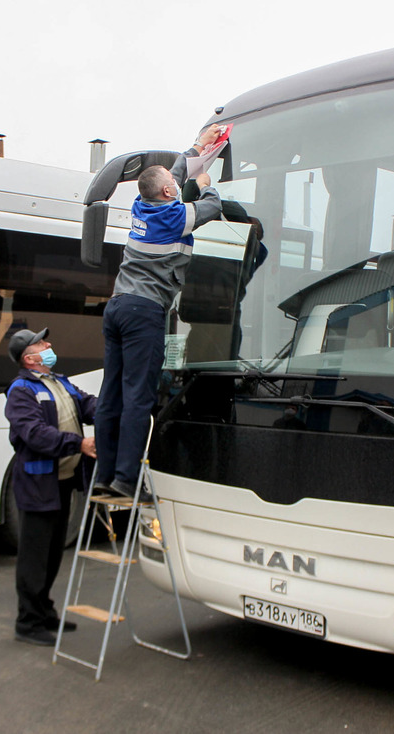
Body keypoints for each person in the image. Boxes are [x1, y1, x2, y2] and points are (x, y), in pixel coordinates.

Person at [93, 126, 224, 497]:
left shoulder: (142, 205)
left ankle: (104, 476)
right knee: (139, 396)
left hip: (116, 306)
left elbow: (176, 171)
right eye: (172, 182)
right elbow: (210, 206)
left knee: (111, 394)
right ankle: (126, 480)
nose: (175, 180)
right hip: (142, 311)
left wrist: (200, 145)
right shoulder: (173, 217)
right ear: (169, 192)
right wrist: (206, 181)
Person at [4, 327, 97, 646]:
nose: (49, 345)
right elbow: (35, 434)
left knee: (54, 552)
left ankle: (45, 613)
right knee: (35, 555)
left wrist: (117, 408)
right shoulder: (21, 390)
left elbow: (87, 406)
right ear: (29, 358)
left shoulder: (60, 382)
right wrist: (79, 443)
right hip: (38, 484)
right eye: (42, 343)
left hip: (62, 483)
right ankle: (27, 622)